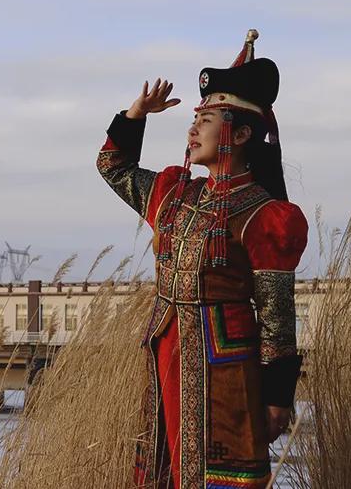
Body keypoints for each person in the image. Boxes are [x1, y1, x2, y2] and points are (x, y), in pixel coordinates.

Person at [96, 29, 308, 488]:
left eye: (206, 120)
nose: (192, 130)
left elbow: (276, 316)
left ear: (242, 131)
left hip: (226, 369)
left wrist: (277, 397)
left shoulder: (265, 215)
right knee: (164, 470)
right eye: (195, 119)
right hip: (166, 352)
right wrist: (136, 115)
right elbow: (112, 166)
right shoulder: (174, 195)